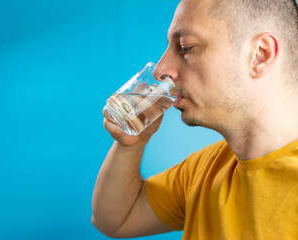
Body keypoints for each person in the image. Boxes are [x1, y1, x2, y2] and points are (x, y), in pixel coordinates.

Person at [92, 0, 298, 239]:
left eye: (186, 47)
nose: (160, 69)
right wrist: (130, 145)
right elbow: (115, 220)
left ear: (260, 55)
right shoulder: (206, 169)